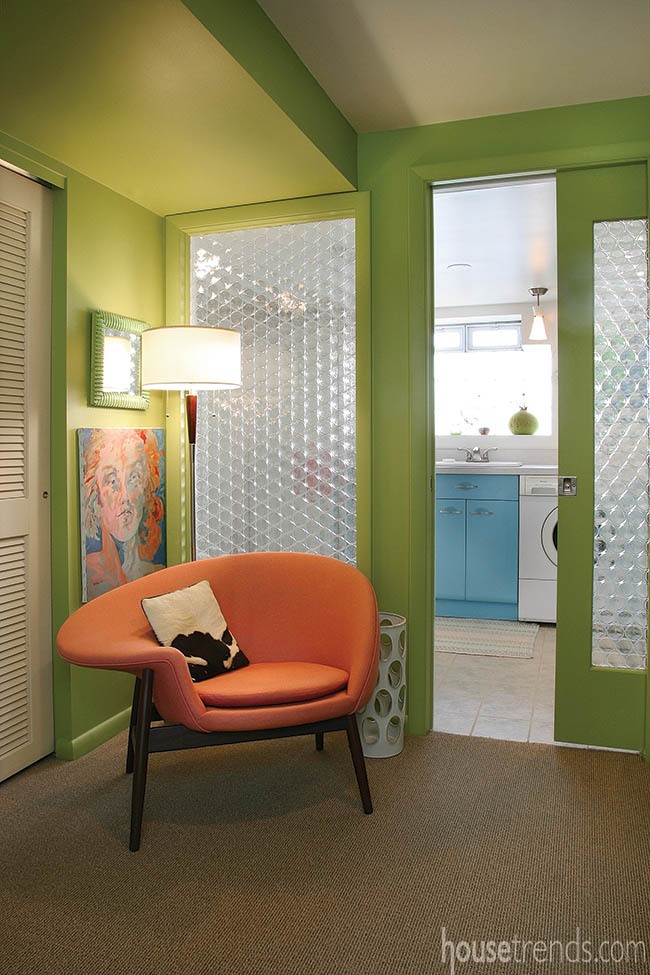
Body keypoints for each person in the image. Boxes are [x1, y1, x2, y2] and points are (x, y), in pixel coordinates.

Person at [82, 428, 165, 600]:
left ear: (146, 488)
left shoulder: (158, 574)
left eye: (134, 477)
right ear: (95, 496)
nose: (125, 496)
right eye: (112, 481)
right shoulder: (92, 578)